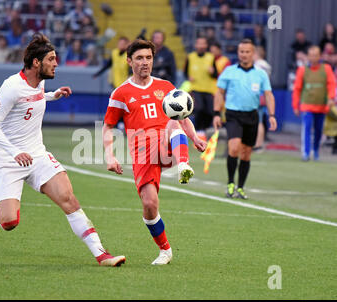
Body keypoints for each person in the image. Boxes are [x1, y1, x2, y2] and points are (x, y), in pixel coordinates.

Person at [0, 34, 125, 267]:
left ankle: (102, 254)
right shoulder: (11, 87)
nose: (56, 63)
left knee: (68, 198)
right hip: (8, 160)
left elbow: (33, 99)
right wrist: (14, 152)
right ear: (36, 63)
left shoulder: (41, 82)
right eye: (51, 59)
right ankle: (1, 203)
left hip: (37, 155)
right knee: (9, 222)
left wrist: (52, 95)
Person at [102, 39, 206, 265]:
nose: (145, 62)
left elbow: (182, 117)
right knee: (149, 205)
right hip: (143, 153)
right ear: (129, 61)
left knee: (172, 124)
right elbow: (108, 126)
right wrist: (110, 156)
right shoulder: (121, 93)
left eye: (148, 57)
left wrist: (195, 138)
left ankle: (183, 165)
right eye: (139, 58)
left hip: (168, 144)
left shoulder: (166, 86)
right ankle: (165, 250)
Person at [213, 39, 277, 199]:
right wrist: (216, 113)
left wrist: (271, 115)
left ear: (253, 53)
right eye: (242, 51)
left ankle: (240, 187)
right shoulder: (229, 71)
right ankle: (230, 184)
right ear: (238, 53)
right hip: (233, 114)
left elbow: (268, 94)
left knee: (246, 153)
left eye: (248, 52)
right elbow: (219, 92)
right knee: (234, 148)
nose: (244, 54)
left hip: (252, 116)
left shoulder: (260, 74)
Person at [292, 45, 336, 161]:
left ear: (320, 56)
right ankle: (306, 153)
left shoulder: (326, 69)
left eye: (315, 55)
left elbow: (332, 84)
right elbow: (297, 89)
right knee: (306, 128)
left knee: (318, 130)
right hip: (307, 105)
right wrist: (295, 105)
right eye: (311, 55)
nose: (313, 58)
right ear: (308, 57)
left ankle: (315, 150)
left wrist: (331, 98)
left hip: (321, 106)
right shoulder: (302, 70)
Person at [184, 36, 217, 141]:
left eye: (203, 43)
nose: (201, 46)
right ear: (196, 45)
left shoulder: (211, 57)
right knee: (199, 109)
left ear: (206, 45)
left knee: (210, 111)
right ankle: (197, 131)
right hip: (196, 88)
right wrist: (188, 77)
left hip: (208, 89)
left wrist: (213, 72)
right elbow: (185, 72)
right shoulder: (190, 57)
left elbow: (216, 74)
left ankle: (204, 130)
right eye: (199, 43)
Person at [253, 45, 272, 151]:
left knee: (257, 121)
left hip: (257, 94)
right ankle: (258, 143)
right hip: (263, 94)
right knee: (259, 120)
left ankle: (257, 144)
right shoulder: (266, 65)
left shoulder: (258, 65)